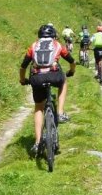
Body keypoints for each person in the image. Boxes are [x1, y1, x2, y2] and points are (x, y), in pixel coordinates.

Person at [19, 24, 76, 155]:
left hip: (37, 78)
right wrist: (71, 71)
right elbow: (71, 61)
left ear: (39, 36)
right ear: (53, 35)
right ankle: (60, 112)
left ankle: (38, 142)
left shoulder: (33, 46)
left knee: (39, 107)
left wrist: (22, 80)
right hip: (54, 75)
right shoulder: (57, 45)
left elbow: (23, 67)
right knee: (63, 82)